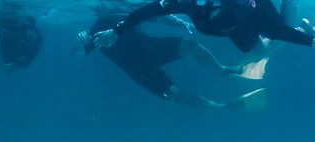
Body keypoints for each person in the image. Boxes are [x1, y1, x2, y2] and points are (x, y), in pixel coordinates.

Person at [75, 14, 268, 109]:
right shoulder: (99, 26)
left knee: (190, 45)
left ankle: (222, 70)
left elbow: (160, 16)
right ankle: (224, 106)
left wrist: (184, 24)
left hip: (150, 50)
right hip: (138, 68)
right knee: (175, 94)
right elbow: (78, 54)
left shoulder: (127, 10)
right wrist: (82, 42)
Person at [88, 0, 315, 56]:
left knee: (278, 29)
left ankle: (297, 14)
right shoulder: (185, 2)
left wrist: (311, 41)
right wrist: (116, 31)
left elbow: (275, 31)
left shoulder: (245, 6)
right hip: (230, 28)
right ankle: (302, 28)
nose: (205, 6)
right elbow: (148, 10)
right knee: (257, 52)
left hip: (252, 18)